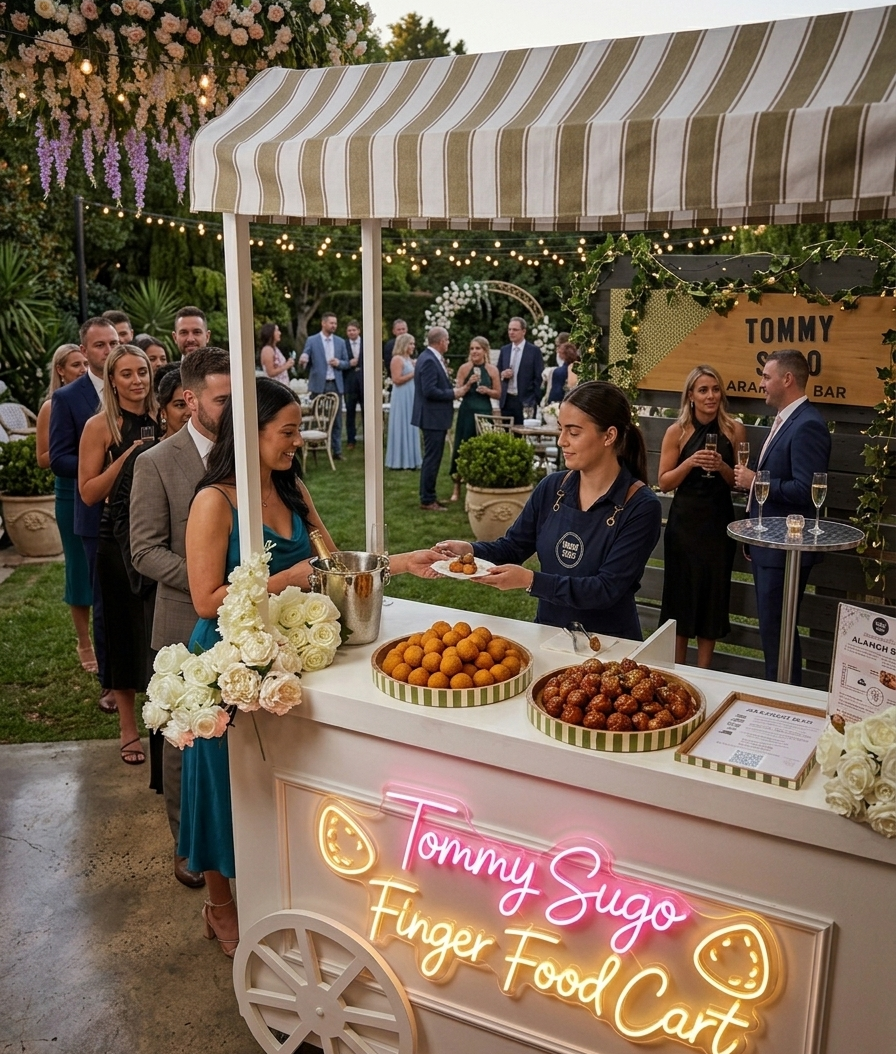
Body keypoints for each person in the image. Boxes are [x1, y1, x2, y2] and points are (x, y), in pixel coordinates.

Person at [179, 379, 435, 956]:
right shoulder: (214, 501)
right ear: (250, 434)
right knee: (223, 785)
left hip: (293, 659)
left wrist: (403, 563)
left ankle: (280, 886)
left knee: (278, 785)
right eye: (288, 432)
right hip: (230, 664)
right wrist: (285, 580)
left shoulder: (292, 487)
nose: (298, 441)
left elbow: (334, 562)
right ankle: (220, 903)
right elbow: (205, 598)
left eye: (297, 431)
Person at [434, 382, 662, 638]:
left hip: (610, 645)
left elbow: (605, 589)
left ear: (609, 436)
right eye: (561, 429)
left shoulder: (641, 507)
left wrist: (531, 580)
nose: (562, 441)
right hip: (548, 635)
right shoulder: (553, 488)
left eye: (573, 432)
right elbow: (513, 547)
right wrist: (470, 550)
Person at [131, 347, 231, 889]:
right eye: (223, 399)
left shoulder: (250, 451)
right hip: (181, 622)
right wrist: (208, 578)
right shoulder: (156, 462)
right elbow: (144, 550)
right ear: (190, 400)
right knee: (183, 740)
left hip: (246, 622)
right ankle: (186, 844)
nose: (235, 409)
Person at [78, 344, 159, 765]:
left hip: (159, 534)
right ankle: (128, 728)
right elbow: (88, 492)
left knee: (156, 631)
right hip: (116, 537)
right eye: (126, 373)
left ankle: (162, 719)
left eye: (141, 371)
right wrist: (126, 457)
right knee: (121, 631)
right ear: (111, 380)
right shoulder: (100, 426)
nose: (136, 380)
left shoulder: (163, 418)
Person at [734, 350, 831, 683]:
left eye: (766, 376)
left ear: (787, 379)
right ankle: (779, 694)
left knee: (778, 631)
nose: (761, 383)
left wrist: (755, 481)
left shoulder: (807, 425)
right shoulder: (785, 420)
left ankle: (785, 698)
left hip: (786, 549)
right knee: (773, 630)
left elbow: (806, 490)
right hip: (768, 546)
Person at [49, 317, 120, 714]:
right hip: (94, 512)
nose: (108, 351)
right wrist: (98, 463)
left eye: (113, 342)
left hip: (138, 509)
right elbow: (58, 458)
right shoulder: (67, 398)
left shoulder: (133, 386)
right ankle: (109, 681)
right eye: (99, 345)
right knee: (103, 598)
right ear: (84, 350)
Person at [658, 366, 747, 668]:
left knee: (713, 597)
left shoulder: (734, 430)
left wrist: (722, 466)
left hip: (718, 524)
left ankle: (704, 672)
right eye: (703, 390)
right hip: (684, 525)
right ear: (691, 396)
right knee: (680, 598)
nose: (711, 396)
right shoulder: (677, 431)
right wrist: (690, 463)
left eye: (715, 389)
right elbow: (664, 482)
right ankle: (678, 671)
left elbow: (739, 482)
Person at [35, 344, 95, 673]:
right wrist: (89, 454)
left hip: (98, 488)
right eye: (75, 364)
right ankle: (84, 641)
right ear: (60, 370)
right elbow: (45, 458)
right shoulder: (52, 405)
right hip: (70, 492)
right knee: (77, 569)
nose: (82, 369)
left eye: (85, 363)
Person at [411, 326, 467, 511]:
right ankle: (427, 499)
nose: (448, 343)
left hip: (433, 416)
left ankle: (429, 496)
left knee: (432, 458)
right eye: (447, 340)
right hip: (432, 417)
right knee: (432, 458)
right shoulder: (428, 360)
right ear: (441, 341)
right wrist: (453, 393)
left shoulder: (429, 357)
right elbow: (429, 390)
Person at [449, 337, 501, 502]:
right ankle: (457, 486)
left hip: (485, 411)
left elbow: (498, 393)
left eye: (477, 348)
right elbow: (458, 392)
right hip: (467, 411)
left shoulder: (492, 370)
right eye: (472, 348)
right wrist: (468, 384)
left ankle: (482, 485)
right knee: (461, 446)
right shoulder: (464, 368)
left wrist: (488, 391)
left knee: (483, 447)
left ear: (485, 350)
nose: (474, 351)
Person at [299, 312, 349, 460]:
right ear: (323, 323)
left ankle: (337, 451)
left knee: (336, 419)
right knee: (316, 416)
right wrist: (303, 359)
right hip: (318, 385)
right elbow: (305, 357)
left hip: (335, 384)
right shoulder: (312, 340)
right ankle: (314, 446)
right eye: (331, 323)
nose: (334, 326)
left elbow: (347, 363)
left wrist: (339, 363)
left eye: (335, 323)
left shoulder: (340, 342)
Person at [497, 317, 545, 425]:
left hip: (526, 400)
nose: (511, 332)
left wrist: (534, 398)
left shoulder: (534, 351)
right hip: (507, 400)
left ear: (523, 331)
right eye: (509, 329)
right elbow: (497, 371)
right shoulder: (505, 350)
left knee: (525, 432)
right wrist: (502, 374)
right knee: (507, 431)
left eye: (515, 330)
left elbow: (538, 376)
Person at [385, 332, 422, 470]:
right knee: (402, 423)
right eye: (410, 343)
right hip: (402, 395)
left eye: (413, 344)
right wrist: (414, 373)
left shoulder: (409, 360)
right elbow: (396, 380)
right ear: (404, 344)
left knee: (411, 424)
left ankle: (412, 460)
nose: (413, 346)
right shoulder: (397, 359)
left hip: (411, 394)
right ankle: (399, 460)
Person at [156, 366, 191, 439]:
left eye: (194, 404)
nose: (190, 412)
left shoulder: (213, 445)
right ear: (163, 412)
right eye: (181, 405)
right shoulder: (152, 447)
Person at [344, 320, 363, 449]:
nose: (351, 332)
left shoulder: (366, 343)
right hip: (349, 383)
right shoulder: (343, 344)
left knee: (366, 411)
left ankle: (368, 439)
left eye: (353, 330)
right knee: (350, 412)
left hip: (363, 382)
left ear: (359, 331)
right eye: (349, 330)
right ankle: (351, 440)